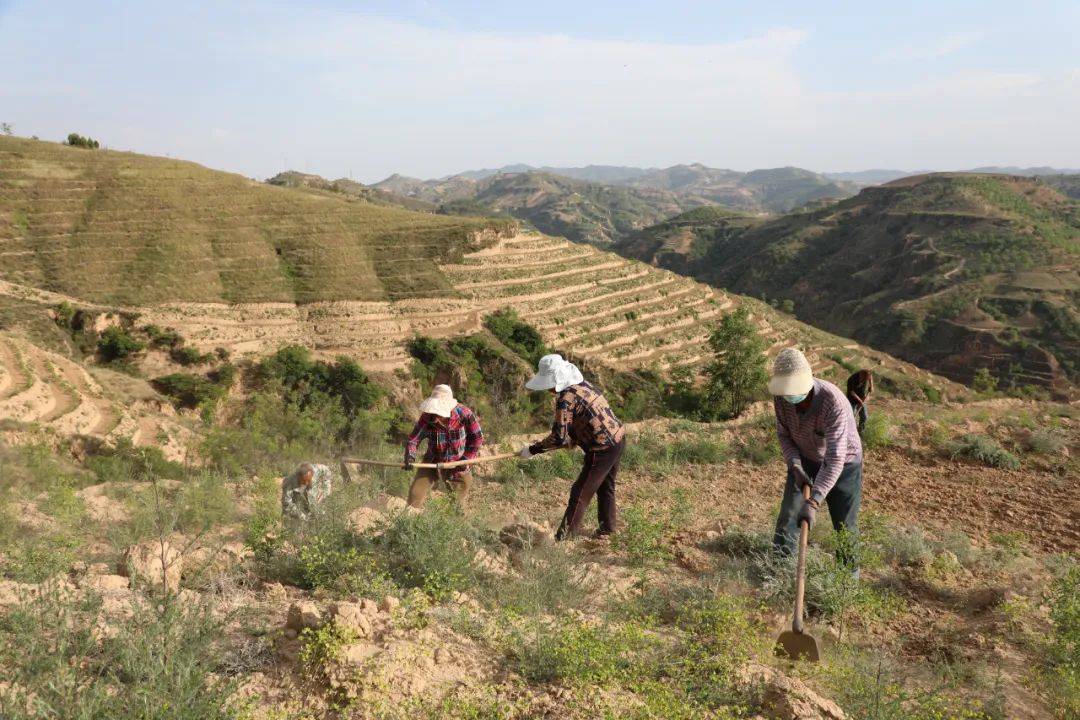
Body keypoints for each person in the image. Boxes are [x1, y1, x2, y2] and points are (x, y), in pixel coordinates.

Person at [769, 348, 864, 569]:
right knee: (788, 517)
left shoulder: (832, 403)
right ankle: (780, 574)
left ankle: (845, 585)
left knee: (844, 526)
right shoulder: (782, 398)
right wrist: (794, 465)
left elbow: (834, 458)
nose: (791, 399)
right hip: (804, 460)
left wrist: (814, 501)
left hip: (844, 464)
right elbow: (783, 434)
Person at [519, 354, 626, 541]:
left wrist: (532, 450)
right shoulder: (583, 386)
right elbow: (586, 418)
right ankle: (607, 530)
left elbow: (558, 437)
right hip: (618, 439)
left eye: (549, 384)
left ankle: (563, 541)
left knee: (580, 493)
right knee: (606, 486)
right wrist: (574, 439)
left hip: (601, 448)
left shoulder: (565, 399)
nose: (548, 389)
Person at [403, 384, 484, 508]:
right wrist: (410, 456)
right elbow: (414, 439)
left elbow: (477, 438)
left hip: (458, 463)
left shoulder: (464, 414)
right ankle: (410, 521)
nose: (436, 416)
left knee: (456, 506)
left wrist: (465, 460)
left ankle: (458, 523)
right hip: (432, 460)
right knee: (415, 495)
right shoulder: (427, 417)